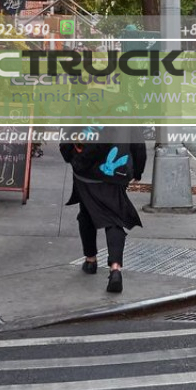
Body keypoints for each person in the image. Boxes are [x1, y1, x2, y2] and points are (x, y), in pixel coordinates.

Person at [60, 125, 147, 293]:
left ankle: (91, 260)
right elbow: (138, 144)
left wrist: (71, 156)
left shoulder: (85, 101)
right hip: (115, 173)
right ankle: (115, 269)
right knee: (115, 218)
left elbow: (69, 133)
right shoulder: (127, 107)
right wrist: (138, 170)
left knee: (86, 212)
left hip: (85, 172)